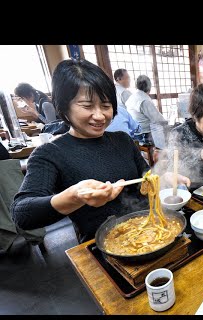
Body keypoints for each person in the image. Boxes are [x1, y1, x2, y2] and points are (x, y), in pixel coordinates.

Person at [11, 59, 190, 244]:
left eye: (105, 106)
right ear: (64, 107)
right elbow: (22, 214)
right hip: (102, 244)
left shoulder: (123, 140)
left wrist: (161, 177)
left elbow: (145, 175)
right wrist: (75, 196)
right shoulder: (49, 154)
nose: (99, 115)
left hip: (154, 229)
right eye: (87, 106)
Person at [125, 75, 167, 150]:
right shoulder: (144, 100)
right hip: (144, 136)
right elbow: (158, 120)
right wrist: (169, 124)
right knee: (167, 139)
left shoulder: (132, 97)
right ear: (149, 87)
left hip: (134, 134)